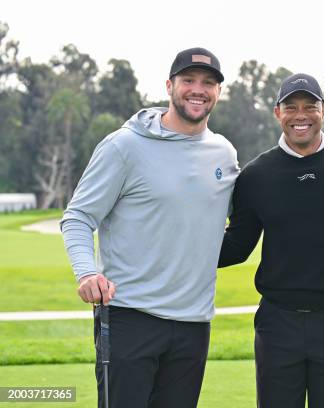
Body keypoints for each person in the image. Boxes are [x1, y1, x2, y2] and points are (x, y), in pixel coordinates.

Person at [61, 47, 238, 408]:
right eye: (188, 80)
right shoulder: (123, 146)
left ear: (218, 92)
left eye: (208, 83)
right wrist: (86, 273)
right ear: (170, 85)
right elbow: (78, 217)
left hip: (194, 323)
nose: (198, 89)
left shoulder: (224, 153)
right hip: (130, 317)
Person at [218, 73, 324, 408]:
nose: (300, 114)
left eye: (309, 106)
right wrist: (173, 245)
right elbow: (237, 246)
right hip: (277, 321)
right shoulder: (256, 176)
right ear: (277, 112)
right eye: (291, 107)